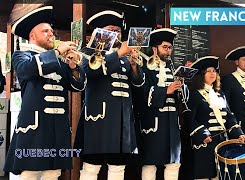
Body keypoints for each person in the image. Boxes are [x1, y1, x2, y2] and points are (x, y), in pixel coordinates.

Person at [3, 6, 86, 179]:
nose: (51, 34)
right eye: (45, 31)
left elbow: (77, 86)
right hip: (34, 127)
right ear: (33, 36)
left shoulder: (60, 60)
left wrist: (73, 66)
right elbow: (28, 69)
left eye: (51, 31)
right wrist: (57, 52)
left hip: (58, 128)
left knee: (53, 174)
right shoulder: (21, 55)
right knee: (30, 174)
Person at [74, 10, 144, 180]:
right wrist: (119, 53)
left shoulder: (126, 57)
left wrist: (134, 65)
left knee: (118, 165)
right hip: (99, 118)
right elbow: (89, 71)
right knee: (92, 165)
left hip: (122, 119)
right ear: (100, 33)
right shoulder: (88, 52)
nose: (116, 35)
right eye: (111, 30)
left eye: (118, 31)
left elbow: (138, 84)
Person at [187, 56, 245, 180]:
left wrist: (239, 134)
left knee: (220, 176)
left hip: (222, 142)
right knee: (203, 176)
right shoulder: (194, 94)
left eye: (214, 71)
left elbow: (230, 117)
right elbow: (190, 119)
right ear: (201, 75)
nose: (212, 74)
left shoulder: (221, 94)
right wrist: (202, 135)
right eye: (208, 71)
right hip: (205, 143)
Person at [140, 28, 182, 180]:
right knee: (150, 163)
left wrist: (180, 88)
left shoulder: (173, 69)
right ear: (154, 48)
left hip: (172, 122)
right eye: (165, 47)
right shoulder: (144, 67)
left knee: (173, 163)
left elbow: (182, 100)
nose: (168, 51)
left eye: (170, 47)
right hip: (154, 121)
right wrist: (166, 90)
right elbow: (141, 93)